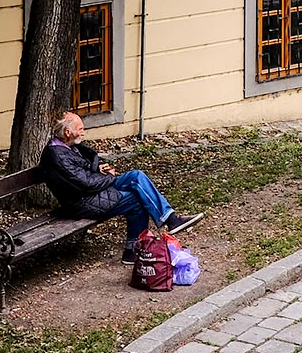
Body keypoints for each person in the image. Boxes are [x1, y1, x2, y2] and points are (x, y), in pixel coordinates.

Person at [38, 112, 203, 262]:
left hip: (95, 191)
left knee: (136, 176)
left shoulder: (70, 146)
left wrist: (99, 167)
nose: (83, 132)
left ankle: (170, 218)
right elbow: (85, 184)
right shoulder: (57, 155)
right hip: (81, 203)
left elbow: (89, 161)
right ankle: (134, 249)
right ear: (68, 132)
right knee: (137, 198)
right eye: (81, 129)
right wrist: (110, 177)